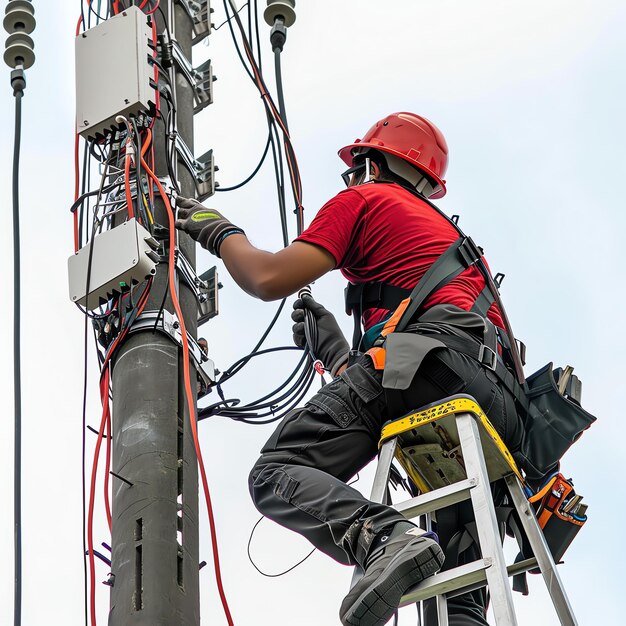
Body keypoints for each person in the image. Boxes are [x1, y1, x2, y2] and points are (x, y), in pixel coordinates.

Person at [176, 112, 528, 626]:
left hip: (423, 366)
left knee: (275, 472)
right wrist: (338, 352)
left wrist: (220, 232)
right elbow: (395, 377)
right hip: (498, 407)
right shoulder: (448, 242)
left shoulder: (365, 200)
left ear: (372, 161)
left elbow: (268, 276)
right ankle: (425, 567)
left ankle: (384, 537)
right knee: (459, 598)